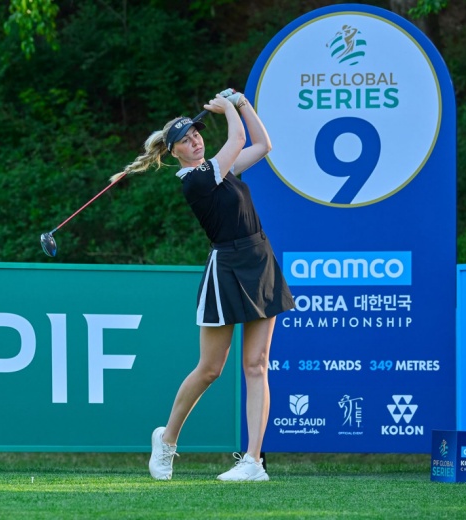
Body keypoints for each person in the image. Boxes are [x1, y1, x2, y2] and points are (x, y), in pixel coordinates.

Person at [109, 89, 294, 482]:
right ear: (173, 151)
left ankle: (253, 461)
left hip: (259, 260)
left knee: (257, 365)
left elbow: (263, 144)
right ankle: (167, 441)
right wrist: (227, 109)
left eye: (196, 134)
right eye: (186, 139)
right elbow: (238, 138)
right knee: (210, 369)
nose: (195, 140)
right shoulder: (194, 181)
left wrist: (242, 104)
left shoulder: (220, 170)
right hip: (226, 268)